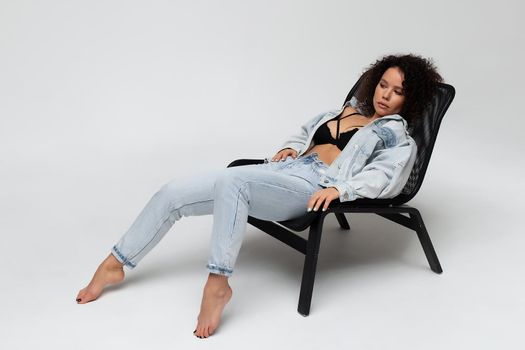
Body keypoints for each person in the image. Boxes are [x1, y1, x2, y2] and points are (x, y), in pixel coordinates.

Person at [75, 53, 443, 338]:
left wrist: (341, 189)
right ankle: (115, 263)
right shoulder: (341, 111)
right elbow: (303, 136)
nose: (386, 96)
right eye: (383, 85)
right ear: (375, 82)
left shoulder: (397, 136)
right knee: (173, 191)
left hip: (315, 186)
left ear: (409, 102)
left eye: (398, 92)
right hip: (282, 172)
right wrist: (288, 149)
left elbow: (386, 179)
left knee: (233, 181)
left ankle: (218, 284)